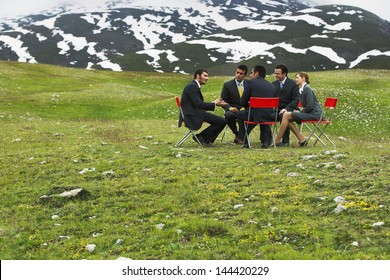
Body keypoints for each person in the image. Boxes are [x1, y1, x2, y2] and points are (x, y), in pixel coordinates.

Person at [274, 72, 324, 147]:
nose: (295, 80)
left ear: (303, 78)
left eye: (297, 78)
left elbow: (309, 106)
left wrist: (300, 112)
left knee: (286, 115)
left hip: (315, 114)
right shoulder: (302, 89)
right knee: (287, 117)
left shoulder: (307, 89)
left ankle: (277, 140)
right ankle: (302, 140)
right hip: (311, 113)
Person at [179, 69, 227, 146]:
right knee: (222, 121)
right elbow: (199, 105)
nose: (207, 78)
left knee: (221, 121)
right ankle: (202, 137)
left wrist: (214, 103)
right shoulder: (192, 86)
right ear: (198, 76)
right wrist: (214, 103)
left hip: (195, 112)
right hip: (192, 115)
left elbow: (197, 104)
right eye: (205, 76)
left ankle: (205, 139)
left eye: (207, 76)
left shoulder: (194, 86)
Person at [236, 65, 276, 148]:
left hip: (254, 114)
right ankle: (265, 141)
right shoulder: (271, 86)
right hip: (270, 115)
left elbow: (242, 102)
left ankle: (243, 138)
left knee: (240, 114)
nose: (250, 75)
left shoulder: (250, 83)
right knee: (263, 114)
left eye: (251, 73)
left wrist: (249, 106)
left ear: (257, 73)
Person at [272, 64, 300, 146]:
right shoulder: (273, 84)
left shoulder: (293, 84)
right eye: (275, 73)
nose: (275, 75)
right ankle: (266, 140)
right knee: (265, 115)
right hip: (276, 110)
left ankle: (285, 141)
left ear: (284, 74)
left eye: (278, 74)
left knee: (284, 115)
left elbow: (296, 99)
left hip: (289, 109)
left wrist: (286, 108)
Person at [220, 64, 248, 143]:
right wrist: (229, 108)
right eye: (237, 72)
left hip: (245, 111)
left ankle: (243, 136)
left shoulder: (249, 84)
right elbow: (223, 100)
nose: (238, 75)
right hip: (233, 111)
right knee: (228, 115)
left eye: (241, 74)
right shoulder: (227, 85)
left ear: (245, 75)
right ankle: (237, 133)